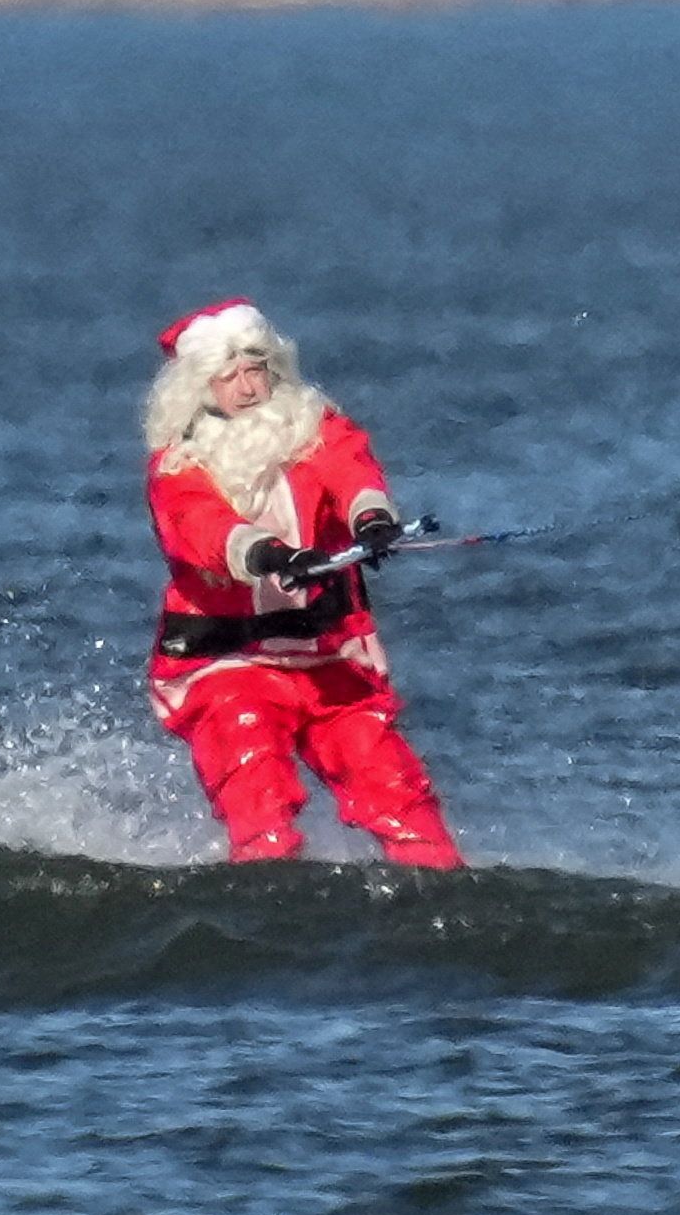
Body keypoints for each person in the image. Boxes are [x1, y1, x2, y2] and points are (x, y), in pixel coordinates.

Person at [140, 299, 464, 868]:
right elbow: (200, 526)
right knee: (253, 776)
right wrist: (266, 554)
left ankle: (437, 879)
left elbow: (351, 471)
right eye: (228, 376)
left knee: (392, 783)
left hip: (329, 659)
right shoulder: (178, 465)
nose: (246, 387)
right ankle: (264, 890)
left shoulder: (315, 429)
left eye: (255, 368)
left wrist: (372, 519)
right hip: (227, 662)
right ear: (200, 388)